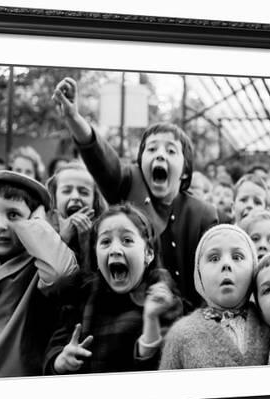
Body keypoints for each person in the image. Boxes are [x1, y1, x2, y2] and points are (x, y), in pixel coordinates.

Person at [52, 77, 218, 313]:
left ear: (185, 171)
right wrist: (74, 118)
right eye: (151, 149)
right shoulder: (129, 182)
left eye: (170, 150)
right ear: (140, 163)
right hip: (129, 317)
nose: (160, 154)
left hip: (186, 320)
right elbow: (102, 158)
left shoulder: (202, 214)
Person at [43, 204, 182, 374]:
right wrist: (60, 361)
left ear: (148, 254)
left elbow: (165, 368)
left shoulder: (162, 296)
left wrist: (151, 319)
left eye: (127, 240)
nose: (115, 250)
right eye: (106, 241)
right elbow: (54, 350)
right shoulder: (82, 293)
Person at [0, 170, 78, 378]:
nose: (1, 226)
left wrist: (38, 224)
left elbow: (60, 273)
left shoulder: (38, 262)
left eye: (13, 215)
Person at [159, 225, 270, 370]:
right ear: (199, 274)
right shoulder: (180, 334)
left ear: (253, 268)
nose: (226, 264)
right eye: (214, 258)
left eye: (237, 257)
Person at [46, 162, 107, 271]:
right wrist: (63, 239)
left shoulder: (104, 233)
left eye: (84, 192)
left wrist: (85, 242)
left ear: (95, 200)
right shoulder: (43, 230)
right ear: (54, 197)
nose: (75, 196)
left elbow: (90, 283)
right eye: (66, 191)